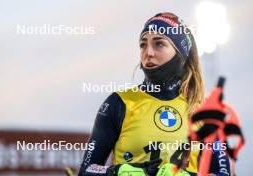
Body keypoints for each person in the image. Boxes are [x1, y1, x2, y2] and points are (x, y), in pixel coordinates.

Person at [77, 12, 230, 176]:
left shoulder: (204, 110)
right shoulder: (118, 103)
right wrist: (118, 171)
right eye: (143, 44)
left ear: (181, 53)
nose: (148, 52)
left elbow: (222, 172)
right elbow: (87, 170)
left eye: (159, 44)